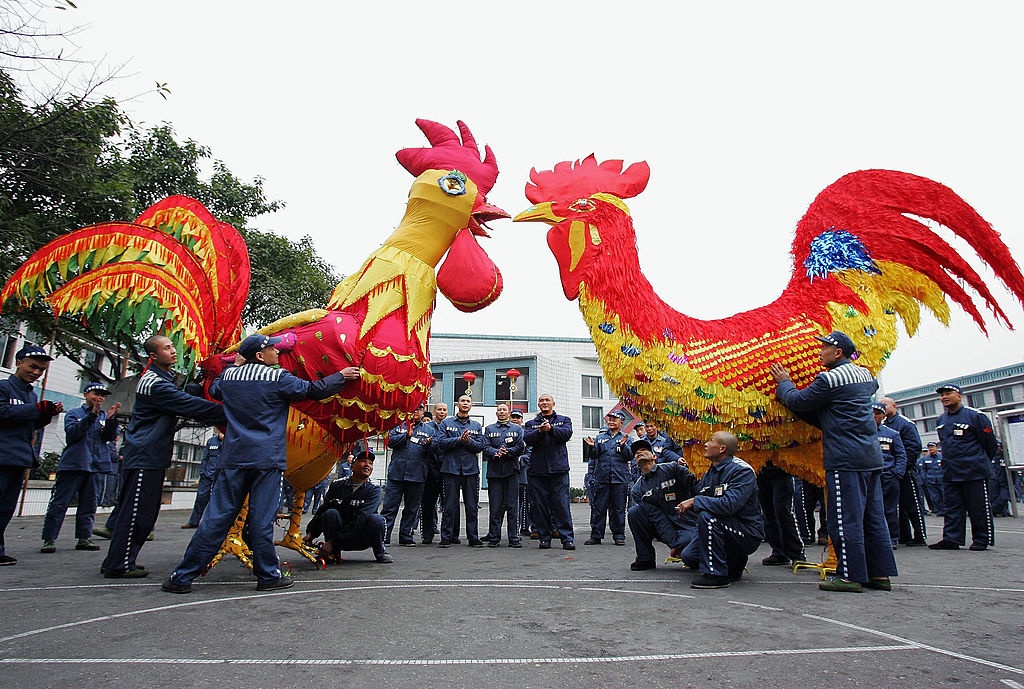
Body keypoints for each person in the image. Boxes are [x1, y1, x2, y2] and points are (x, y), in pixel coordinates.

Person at [161, 333, 360, 593]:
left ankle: (182, 577)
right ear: (259, 355)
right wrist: (340, 377)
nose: (277, 353)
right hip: (266, 460)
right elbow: (313, 391)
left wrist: (234, 364)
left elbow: (214, 389)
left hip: (233, 458)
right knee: (262, 519)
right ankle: (267, 575)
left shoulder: (229, 378)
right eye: (272, 350)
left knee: (216, 518)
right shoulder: (278, 378)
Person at [771, 330, 898, 593]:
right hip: (871, 456)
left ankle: (849, 576)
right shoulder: (865, 376)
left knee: (844, 518)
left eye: (824, 348)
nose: (820, 352)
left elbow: (798, 400)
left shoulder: (829, 379)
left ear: (837, 352)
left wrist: (784, 383)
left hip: (845, 458)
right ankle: (879, 574)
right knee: (873, 517)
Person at [101, 335, 226, 579]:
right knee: (137, 513)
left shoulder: (161, 379)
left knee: (142, 513)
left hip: (151, 454)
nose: (172, 351)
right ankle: (119, 563)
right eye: (166, 348)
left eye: (171, 347)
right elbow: (186, 404)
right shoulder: (154, 383)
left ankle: (118, 560)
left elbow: (180, 396)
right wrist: (235, 410)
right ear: (153, 356)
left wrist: (198, 383)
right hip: (144, 455)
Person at [0, 344, 63, 566]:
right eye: (32, 367)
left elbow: (31, 424)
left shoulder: (31, 394)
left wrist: (46, 414)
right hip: (2, 454)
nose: (36, 373)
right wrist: (37, 409)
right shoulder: (3, 388)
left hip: (19, 457)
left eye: (41, 370)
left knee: (6, 507)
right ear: (18, 362)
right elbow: (3, 413)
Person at [676, 431, 764, 589]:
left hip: (746, 531)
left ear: (722, 448)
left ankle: (716, 575)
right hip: (724, 525)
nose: (706, 444)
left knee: (708, 517)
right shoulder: (711, 472)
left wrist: (696, 501)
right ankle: (733, 562)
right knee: (689, 556)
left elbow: (729, 505)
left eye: (710, 441)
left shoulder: (741, 471)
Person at [40, 382, 120, 553]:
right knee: (59, 504)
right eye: (95, 394)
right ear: (85, 395)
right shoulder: (74, 414)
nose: (99, 398)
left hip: (96, 465)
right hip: (74, 464)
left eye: (102, 395)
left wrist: (111, 421)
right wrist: (92, 415)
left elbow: (109, 438)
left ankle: (84, 538)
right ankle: (49, 539)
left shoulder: (105, 416)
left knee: (89, 504)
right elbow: (74, 433)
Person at [929, 383, 998, 551]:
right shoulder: (941, 420)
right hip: (951, 471)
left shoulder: (975, 416)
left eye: (948, 393)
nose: (944, 397)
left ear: (959, 395)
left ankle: (982, 539)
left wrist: (979, 461)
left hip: (974, 470)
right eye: (942, 395)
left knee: (978, 507)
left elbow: (990, 445)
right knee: (952, 507)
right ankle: (951, 538)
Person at [302, 450, 392, 564]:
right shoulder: (336, 485)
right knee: (330, 513)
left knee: (377, 520)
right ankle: (333, 553)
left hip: (361, 537)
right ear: (352, 466)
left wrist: (333, 542)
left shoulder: (374, 489)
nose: (367, 465)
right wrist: (311, 534)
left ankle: (380, 551)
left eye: (370, 463)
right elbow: (322, 510)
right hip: (339, 535)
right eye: (363, 461)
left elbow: (362, 517)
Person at [627, 439, 698, 570]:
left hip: (688, 522)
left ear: (654, 456)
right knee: (634, 513)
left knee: (691, 550)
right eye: (636, 453)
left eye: (643, 451)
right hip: (663, 527)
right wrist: (674, 544)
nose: (639, 453)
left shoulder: (673, 468)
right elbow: (656, 517)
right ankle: (645, 558)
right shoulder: (637, 490)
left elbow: (696, 487)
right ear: (635, 463)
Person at [524, 393, 576, 550]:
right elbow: (527, 438)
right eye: (541, 400)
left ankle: (567, 538)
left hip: (558, 471)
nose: (544, 402)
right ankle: (544, 537)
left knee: (561, 506)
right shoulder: (531, 423)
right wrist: (540, 431)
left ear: (554, 403)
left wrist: (551, 429)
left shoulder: (564, 420)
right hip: (537, 471)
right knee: (539, 506)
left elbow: (566, 434)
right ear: (538, 405)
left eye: (547, 400)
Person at [435, 394, 486, 548]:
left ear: (471, 405)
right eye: (462, 401)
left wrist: (469, 441)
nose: (465, 403)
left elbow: (480, 446)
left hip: (470, 471)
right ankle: (446, 537)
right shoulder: (446, 423)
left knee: (472, 506)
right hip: (451, 470)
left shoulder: (476, 425)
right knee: (449, 506)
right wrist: (458, 440)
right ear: (457, 404)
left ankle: (473, 537)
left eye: (468, 401)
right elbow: (440, 442)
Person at [381, 404, 433, 546]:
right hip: (397, 474)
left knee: (411, 508)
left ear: (423, 412)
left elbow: (435, 449)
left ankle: (405, 536)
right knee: (389, 507)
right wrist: (406, 435)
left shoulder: (429, 429)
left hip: (417, 475)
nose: (416, 412)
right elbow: (390, 442)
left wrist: (429, 445)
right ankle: (383, 536)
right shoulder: (397, 425)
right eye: (413, 409)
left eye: (419, 409)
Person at [880, 397, 926, 546]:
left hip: (905, 471)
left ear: (894, 406)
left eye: (885, 405)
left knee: (912, 504)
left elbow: (914, 448)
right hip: (892, 472)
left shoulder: (905, 424)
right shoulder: (883, 425)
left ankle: (920, 535)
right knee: (895, 506)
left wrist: (900, 469)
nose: (882, 407)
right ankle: (903, 535)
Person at [582, 409, 632, 546]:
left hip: (619, 478)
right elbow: (594, 456)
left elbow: (629, 457)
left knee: (619, 508)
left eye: (614, 419)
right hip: (602, 477)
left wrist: (623, 446)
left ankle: (619, 535)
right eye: (609, 419)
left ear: (621, 422)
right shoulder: (600, 437)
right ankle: (596, 535)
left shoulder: (627, 438)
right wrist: (592, 448)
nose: (611, 421)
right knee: (599, 507)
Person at [482, 403, 526, 547]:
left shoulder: (517, 429)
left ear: (508, 413)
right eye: (499, 410)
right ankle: (494, 537)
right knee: (495, 507)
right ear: (496, 413)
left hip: (512, 472)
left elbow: (520, 447)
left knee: (512, 506)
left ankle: (514, 538)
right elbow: (485, 447)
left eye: (504, 410)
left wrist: (507, 452)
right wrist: (495, 453)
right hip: (494, 474)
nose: (501, 412)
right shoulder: (489, 429)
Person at [756, 459, 804, 567]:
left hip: (782, 469)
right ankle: (779, 553)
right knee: (768, 513)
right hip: (761, 469)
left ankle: (797, 554)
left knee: (783, 511)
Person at [872, 402, 907, 549]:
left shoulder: (892, 434)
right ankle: (873, 539)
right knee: (872, 509)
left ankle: (892, 538)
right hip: (870, 477)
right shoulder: (860, 432)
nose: (874, 416)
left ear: (883, 416)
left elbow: (901, 455)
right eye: (871, 413)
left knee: (890, 509)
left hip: (888, 476)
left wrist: (896, 473)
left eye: (878, 413)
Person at [419, 402, 448, 544]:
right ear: (434, 411)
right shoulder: (427, 427)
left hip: (447, 470)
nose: (442, 412)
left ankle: (449, 535)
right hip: (430, 470)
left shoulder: (450, 426)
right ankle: (427, 534)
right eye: (439, 409)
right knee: (428, 504)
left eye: (444, 410)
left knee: (449, 504)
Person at [182, 430, 223, 528]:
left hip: (220, 477)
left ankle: (210, 524)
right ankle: (193, 522)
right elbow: (205, 458)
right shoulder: (211, 441)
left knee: (217, 501)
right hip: (207, 476)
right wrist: (203, 473)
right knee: (200, 499)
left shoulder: (230, 441)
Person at [510, 410, 533, 539]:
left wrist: (518, 459)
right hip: (506, 473)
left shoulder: (526, 435)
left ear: (521, 420)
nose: (515, 420)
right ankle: (511, 529)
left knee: (523, 503)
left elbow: (530, 454)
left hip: (521, 475)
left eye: (517, 418)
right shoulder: (505, 432)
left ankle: (524, 527)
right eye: (512, 417)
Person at [795, 478, 828, 546]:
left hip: (822, 474)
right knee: (807, 505)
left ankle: (824, 533)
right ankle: (809, 533)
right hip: (807, 475)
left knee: (824, 504)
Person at [918, 442, 945, 517]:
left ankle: (947, 510)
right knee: (935, 497)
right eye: (929, 447)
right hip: (931, 481)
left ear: (936, 447)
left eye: (932, 447)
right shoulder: (925, 458)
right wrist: (925, 478)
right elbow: (923, 470)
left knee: (944, 495)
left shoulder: (942, 457)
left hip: (941, 480)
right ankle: (940, 510)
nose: (931, 449)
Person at [989, 443, 1012, 518]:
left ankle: (994, 509)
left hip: (1004, 481)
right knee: (994, 497)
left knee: (1003, 497)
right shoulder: (993, 457)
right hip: (994, 480)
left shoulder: (1007, 458)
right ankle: (1000, 511)